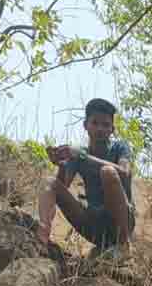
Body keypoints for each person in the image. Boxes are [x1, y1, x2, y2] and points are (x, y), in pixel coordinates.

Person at [38, 98, 135, 258]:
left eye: (105, 125)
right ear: (85, 125)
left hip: (121, 224)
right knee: (49, 182)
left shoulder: (119, 147)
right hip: (94, 228)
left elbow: (125, 172)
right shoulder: (78, 155)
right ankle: (42, 237)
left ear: (112, 129)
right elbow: (61, 188)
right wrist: (62, 166)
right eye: (95, 123)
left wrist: (83, 157)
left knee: (108, 172)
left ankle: (123, 246)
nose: (100, 129)